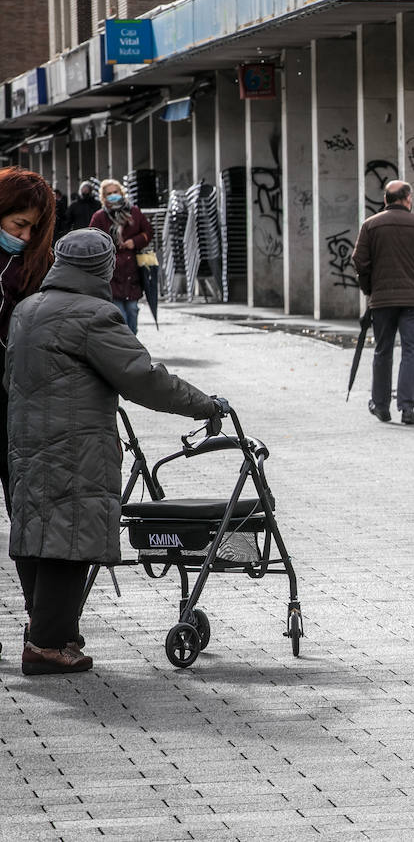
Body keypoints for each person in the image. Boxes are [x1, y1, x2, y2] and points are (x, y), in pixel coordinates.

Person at [7, 230, 227, 675]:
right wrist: (204, 404)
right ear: (104, 267)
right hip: (75, 445)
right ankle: (48, 647)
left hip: (26, 440)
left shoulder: (27, 309)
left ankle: (51, 632)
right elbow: (144, 378)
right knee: (67, 542)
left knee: (36, 536)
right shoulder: (95, 315)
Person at [350, 180, 414, 426]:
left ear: (385, 200)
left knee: (383, 351)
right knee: (411, 352)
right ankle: (407, 408)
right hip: (413, 300)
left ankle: (381, 405)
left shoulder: (370, 226)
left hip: (381, 300)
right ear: (408, 199)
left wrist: (370, 289)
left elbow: (359, 260)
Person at [0, 167, 58, 519]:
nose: (24, 235)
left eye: (34, 228)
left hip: (20, 398)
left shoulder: (42, 264)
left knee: (22, 500)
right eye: (18, 223)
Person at [87, 178, 153, 333]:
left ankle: (131, 344)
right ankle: (126, 347)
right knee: (119, 314)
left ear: (121, 192)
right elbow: (91, 238)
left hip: (133, 271)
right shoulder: (99, 217)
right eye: (109, 193)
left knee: (132, 310)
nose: (113, 195)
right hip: (111, 273)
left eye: (115, 192)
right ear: (104, 197)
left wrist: (134, 242)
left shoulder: (134, 212)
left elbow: (148, 232)